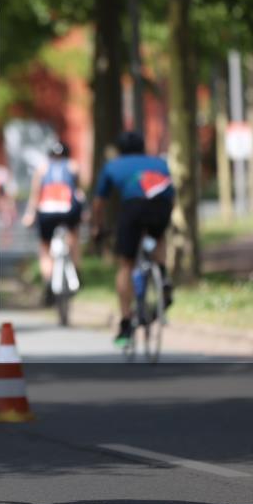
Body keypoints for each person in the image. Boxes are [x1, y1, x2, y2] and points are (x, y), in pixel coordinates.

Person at [91, 131, 175, 346]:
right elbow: (169, 189)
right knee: (157, 237)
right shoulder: (158, 162)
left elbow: (99, 203)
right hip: (162, 206)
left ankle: (126, 322)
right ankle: (162, 274)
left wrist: (97, 228)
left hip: (134, 207)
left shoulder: (113, 165)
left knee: (126, 264)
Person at [22, 141, 84, 304]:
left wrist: (30, 214)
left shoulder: (42, 168)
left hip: (47, 210)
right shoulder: (73, 166)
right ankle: (77, 271)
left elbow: (36, 193)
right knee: (74, 237)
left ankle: (48, 280)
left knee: (44, 246)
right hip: (68, 209)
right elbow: (78, 191)